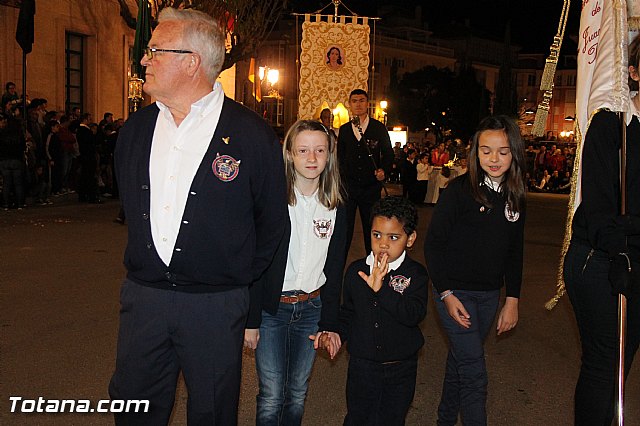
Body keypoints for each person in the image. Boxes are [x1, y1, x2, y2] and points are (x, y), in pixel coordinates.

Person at [108, 8, 288, 425]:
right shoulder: (134, 131)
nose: (143, 60)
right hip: (144, 301)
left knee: (211, 410)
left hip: (215, 306)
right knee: (133, 407)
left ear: (191, 62)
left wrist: (233, 277)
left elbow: (272, 223)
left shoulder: (251, 134)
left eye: (155, 51)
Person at [424, 115, 526, 425]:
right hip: (455, 293)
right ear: (475, 152)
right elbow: (433, 245)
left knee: (461, 361)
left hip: (489, 296)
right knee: (474, 373)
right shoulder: (458, 191)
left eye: (503, 151)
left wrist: (512, 299)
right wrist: (446, 294)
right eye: (486, 151)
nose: (494, 159)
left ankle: (444, 420)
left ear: (514, 153)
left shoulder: (516, 193)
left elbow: (515, 250)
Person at [244, 119, 346, 425]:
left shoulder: (337, 204)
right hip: (272, 311)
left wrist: (330, 320)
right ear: (289, 153)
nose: (312, 158)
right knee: (272, 393)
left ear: (329, 155)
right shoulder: (272, 201)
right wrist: (251, 321)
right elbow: (255, 264)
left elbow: (335, 265)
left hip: (312, 309)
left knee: (298, 391)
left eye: (319, 150)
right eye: (303, 150)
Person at [563, 33, 640, 426]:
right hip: (600, 260)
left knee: (623, 364)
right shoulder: (613, 126)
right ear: (633, 72)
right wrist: (621, 243)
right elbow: (599, 206)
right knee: (605, 362)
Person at [329, 196, 428, 425]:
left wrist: (382, 290)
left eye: (394, 237)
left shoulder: (416, 274)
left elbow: (414, 314)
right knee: (358, 417)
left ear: (410, 239)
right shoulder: (356, 271)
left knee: (392, 419)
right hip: (362, 366)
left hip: (400, 367)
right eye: (377, 235)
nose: (383, 244)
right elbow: (348, 313)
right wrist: (335, 333)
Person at [337, 89, 394, 256]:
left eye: (361, 100)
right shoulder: (345, 130)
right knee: (344, 229)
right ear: (350, 105)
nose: (358, 104)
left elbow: (389, 153)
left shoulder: (378, 128)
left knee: (372, 228)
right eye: (354, 101)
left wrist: (384, 169)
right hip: (348, 188)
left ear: (367, 104)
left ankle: (373, 265)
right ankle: (339, 267)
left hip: (371, 187)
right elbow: (339, 157)